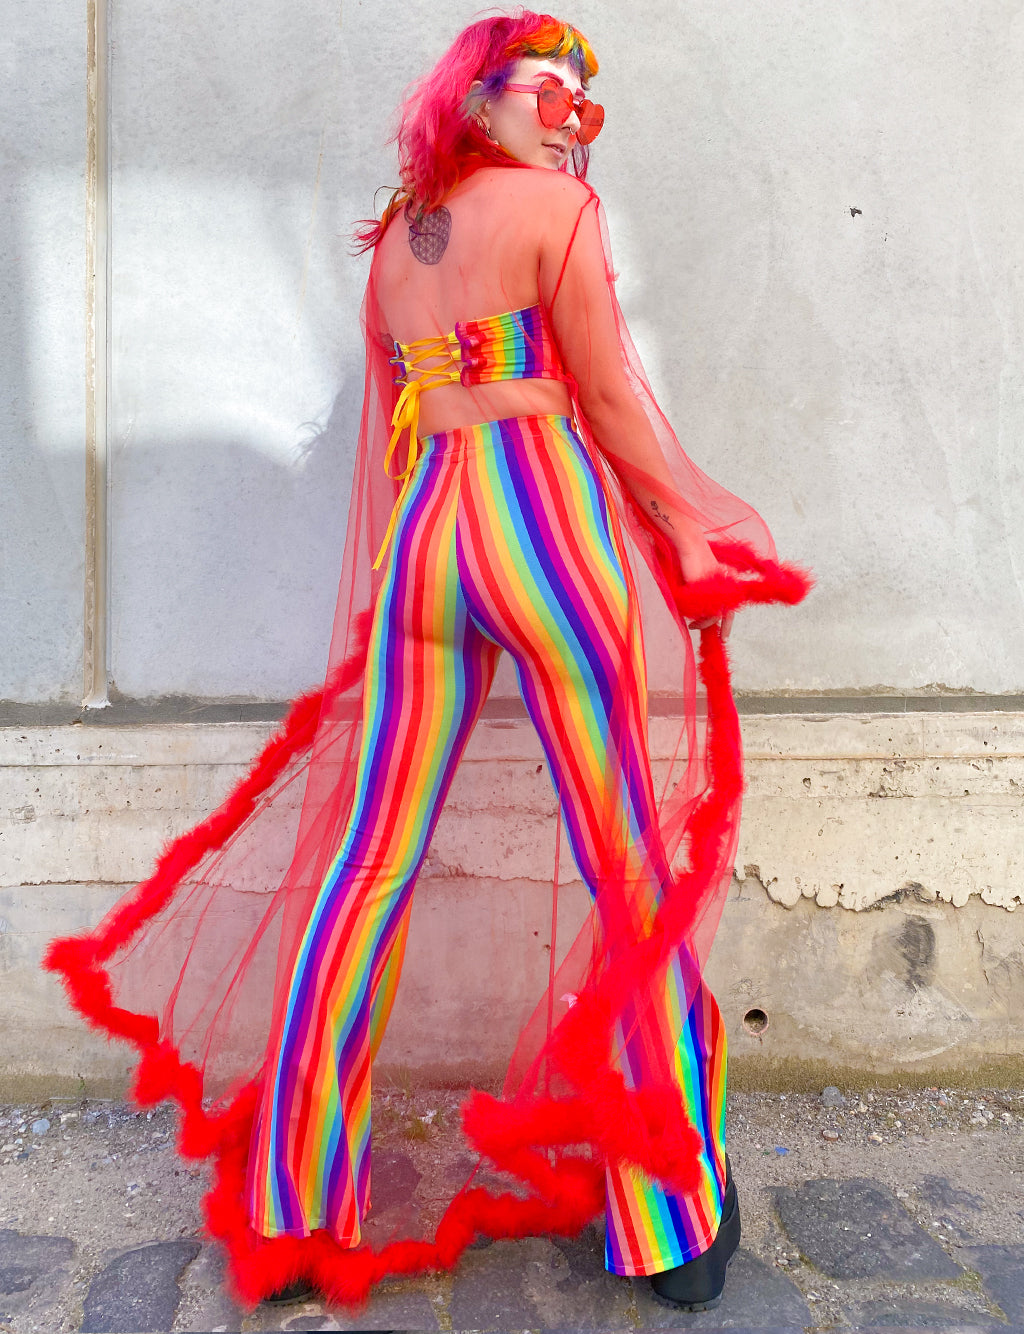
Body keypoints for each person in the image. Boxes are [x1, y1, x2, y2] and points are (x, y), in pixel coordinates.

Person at [45, 8, 809, 1317]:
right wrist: (690, 520)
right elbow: (607, 396)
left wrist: (438, 543)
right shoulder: (558, 213)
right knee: (625, 862)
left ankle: (294, 1204)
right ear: (478, 96)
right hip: (543, 528)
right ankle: (671, 1216)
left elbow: (402, 426)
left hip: (427, 547)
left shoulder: (403, 235)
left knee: (367, 863)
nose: (573, 120)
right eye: (550, 93)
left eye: (584, 103)